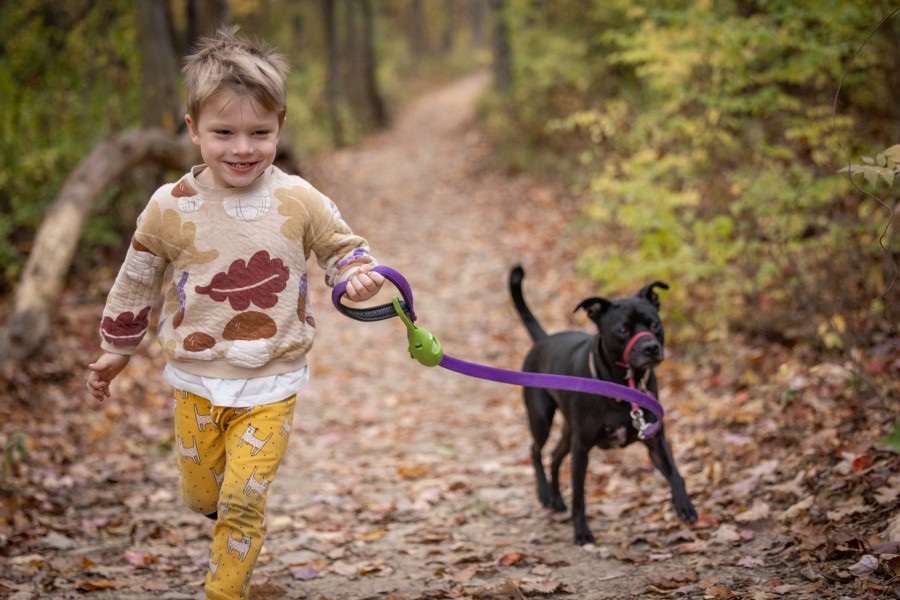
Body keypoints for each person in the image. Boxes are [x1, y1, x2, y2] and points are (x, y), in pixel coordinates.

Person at [86, 25, 384, 600]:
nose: (242, 148)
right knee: (203, 498)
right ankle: (226, 520)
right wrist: (115, 350)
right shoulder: (169, 207)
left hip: (272, 380)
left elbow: (343, 248)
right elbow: (138, 277)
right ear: (193, 128)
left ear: (280, 127)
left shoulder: (299, 199)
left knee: (243, 500)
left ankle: (225, 589)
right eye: (224, 132)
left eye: (259, 133)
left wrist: (356, 274)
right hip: (196, 380)